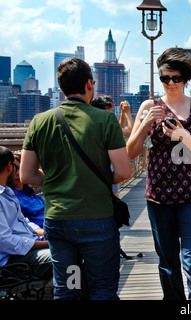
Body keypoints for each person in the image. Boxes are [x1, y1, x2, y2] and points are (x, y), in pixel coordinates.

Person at [20, 57, 131, 300]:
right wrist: (99, 179)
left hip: (59, 221)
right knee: (102, 287)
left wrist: (55, 181)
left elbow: (26, 175)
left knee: (67, 286)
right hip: (97, 219)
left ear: (61, 89)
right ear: (90, 84)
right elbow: (123, 172)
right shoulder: (105, 119)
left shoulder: (40, 121)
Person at [127, 47, 191, 300]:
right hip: (159, 196)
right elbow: (131, 152)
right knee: (167, 262)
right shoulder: (149, 106)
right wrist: (144, 123)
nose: (170, 83)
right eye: (165, 78)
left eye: (176, 78)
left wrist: (182, 135)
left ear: (185, 78)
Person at [0, 146, 52, 281]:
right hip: (13, 261)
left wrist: (46, 235)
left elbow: (24, 222)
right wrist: (48, 243)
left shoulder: (7, 193)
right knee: (70, 257)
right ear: (10, 166)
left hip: (25, 251)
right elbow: (4, 241)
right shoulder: (4, 196)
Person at [7, 151, 45, 228]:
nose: (18, 173)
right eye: (13, 170)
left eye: (20, 168)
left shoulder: (29, 192)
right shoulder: (9, 197)